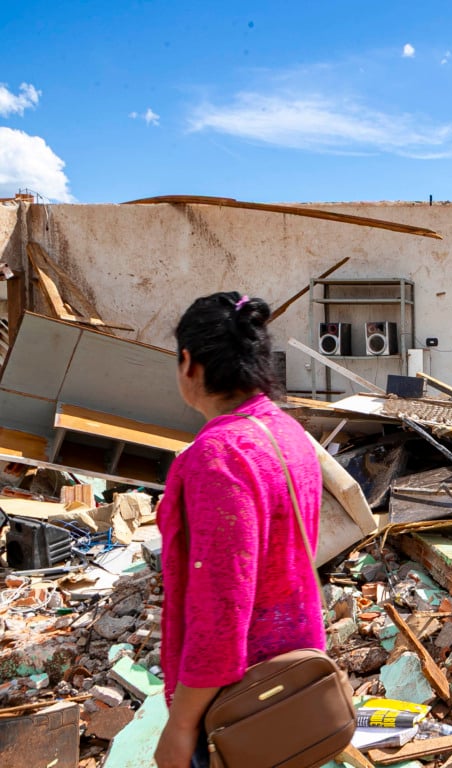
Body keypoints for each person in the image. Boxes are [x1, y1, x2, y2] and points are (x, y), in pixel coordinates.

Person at [155, 292, 325, 768]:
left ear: (189, 363)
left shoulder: (219, 455)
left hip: (237, 702)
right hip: (295, 678)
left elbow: (221, 608)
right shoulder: (286, 432)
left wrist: (182, 724)